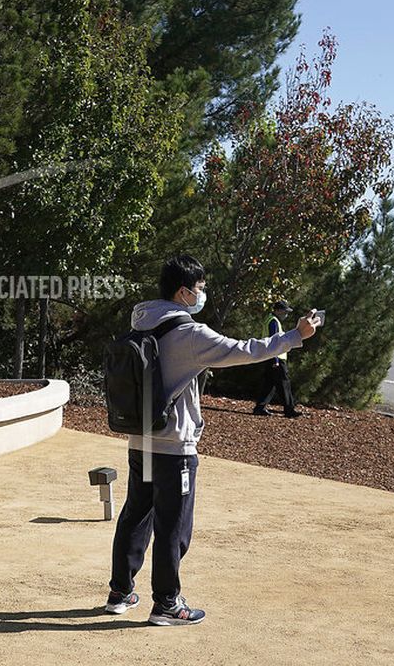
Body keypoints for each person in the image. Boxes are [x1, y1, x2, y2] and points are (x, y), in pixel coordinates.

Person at [104, 255, 321, 625]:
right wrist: (296, 335)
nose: (203, 294)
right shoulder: (190, 335)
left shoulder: (141, 323)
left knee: (136, 516)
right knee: (173, 525)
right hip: (175, 446)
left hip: (140, 440)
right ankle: (168, 604)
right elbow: (244, 350)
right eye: (200, 289)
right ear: (184, 292)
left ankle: (120, 593)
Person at [254, 300, 302, 418]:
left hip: (269, 355)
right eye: (285, 311)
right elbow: (274, 341)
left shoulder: (269, 319)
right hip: (276, 357)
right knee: (284, 383)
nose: (286, 314)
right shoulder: (274, 322)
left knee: (269, 383)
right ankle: (289, 410)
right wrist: (275, 359)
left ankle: (260, 407)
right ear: (278, 310)